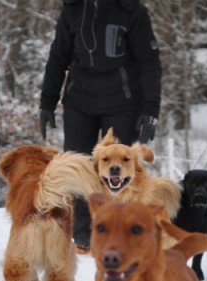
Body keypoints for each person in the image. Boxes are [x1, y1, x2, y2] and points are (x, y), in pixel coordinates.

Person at [39, 0, 162, 253]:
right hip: (78, 102)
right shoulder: (73, 9)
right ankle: (83, 237)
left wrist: (150, 109)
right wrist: (47, 103)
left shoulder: (132, 10)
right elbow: (58, 57)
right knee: (79, 167)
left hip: (122, 103)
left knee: (117, 172)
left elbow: (148, 62)